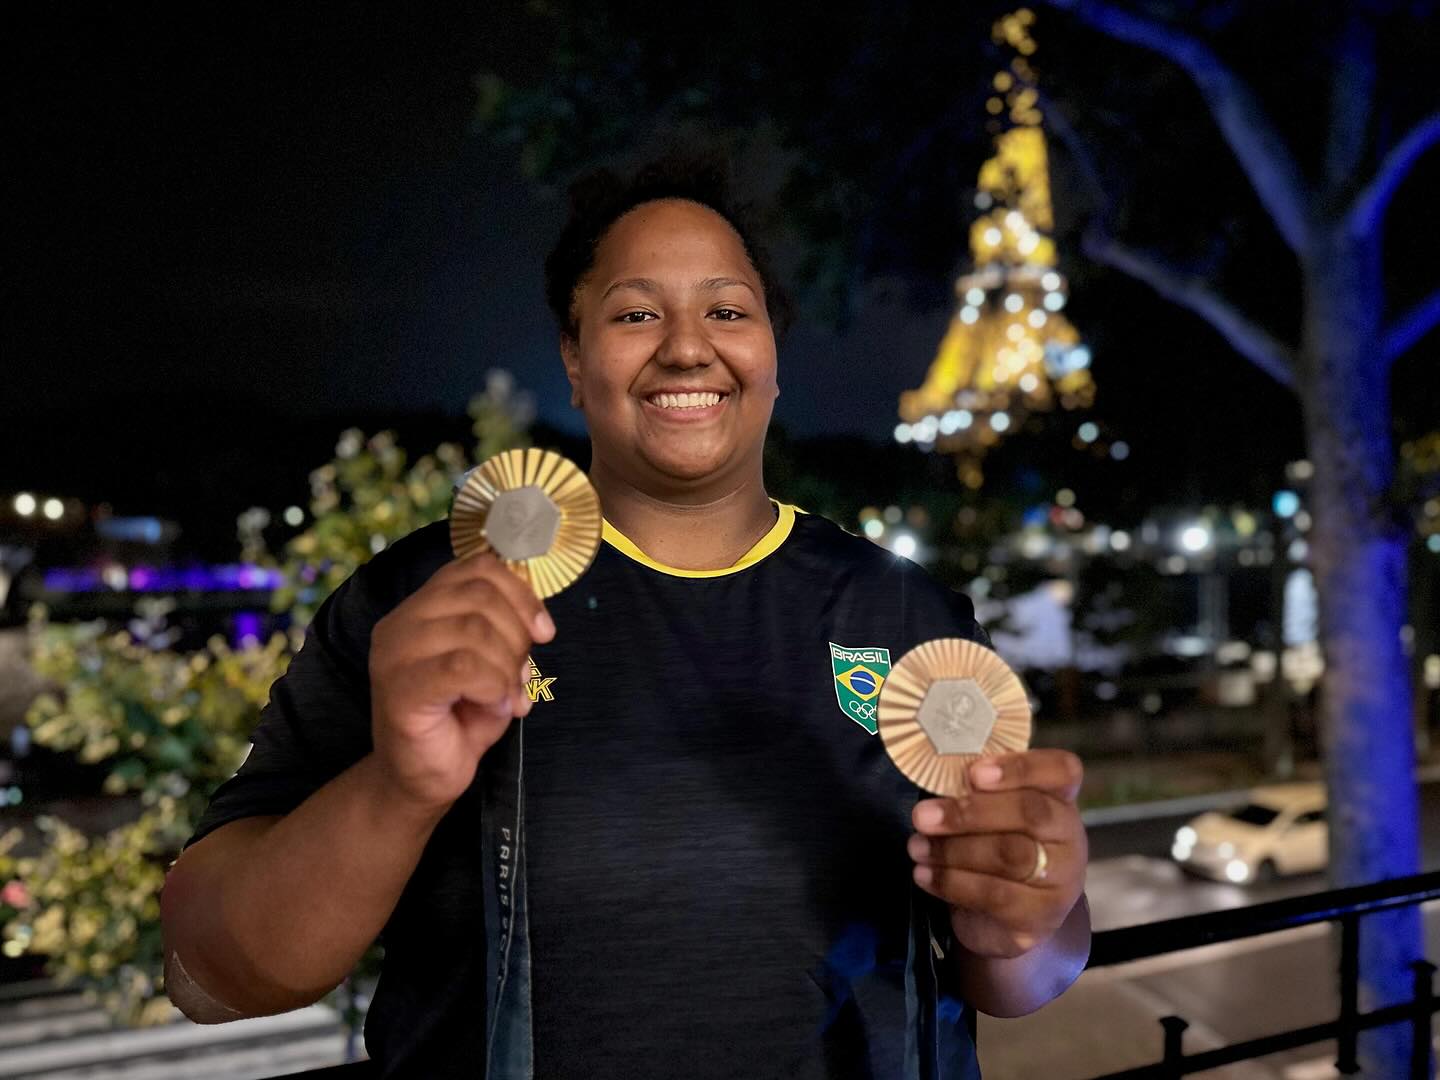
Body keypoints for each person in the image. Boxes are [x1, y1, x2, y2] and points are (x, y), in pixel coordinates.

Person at [160, 156, 1090, 1079]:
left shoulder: (907, 609)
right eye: (637, 313)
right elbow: (207, 975)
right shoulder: (427, 600)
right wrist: (398, 787)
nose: (688, 347)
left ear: (773, 356)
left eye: (727, 310)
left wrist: (1030, 912)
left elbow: (1023, 976)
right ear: (573, 358)